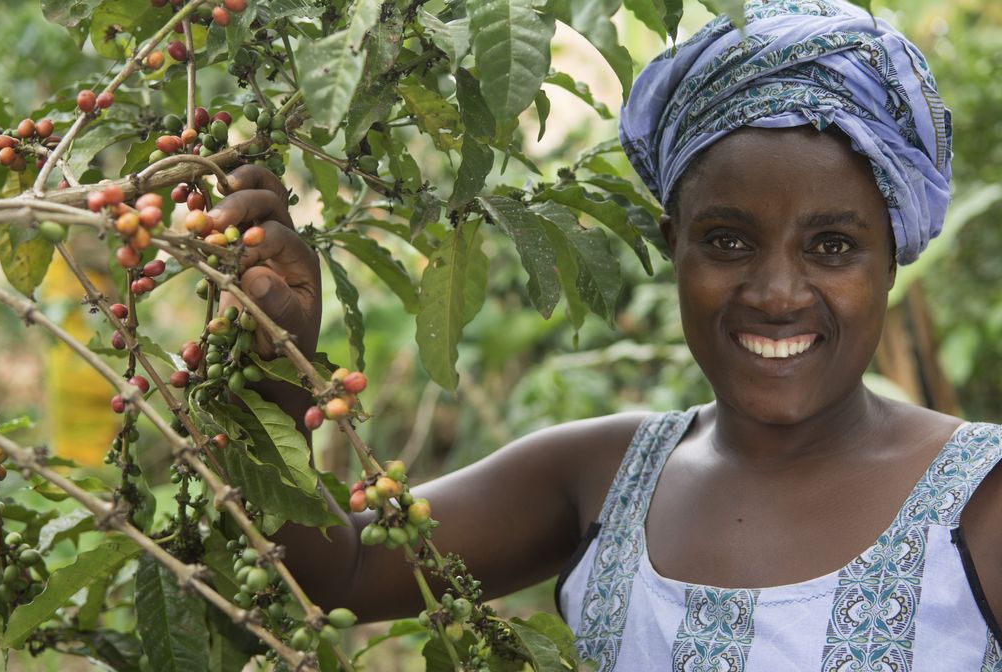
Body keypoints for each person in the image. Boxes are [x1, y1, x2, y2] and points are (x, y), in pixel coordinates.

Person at [208, 0, 1002, 668]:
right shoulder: (600, 476)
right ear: (671, 244)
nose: (777, 293)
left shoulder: (983, 502)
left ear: (893, 256)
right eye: (728, 240)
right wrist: (283, 363)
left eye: (833, 247)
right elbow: (339, 571)